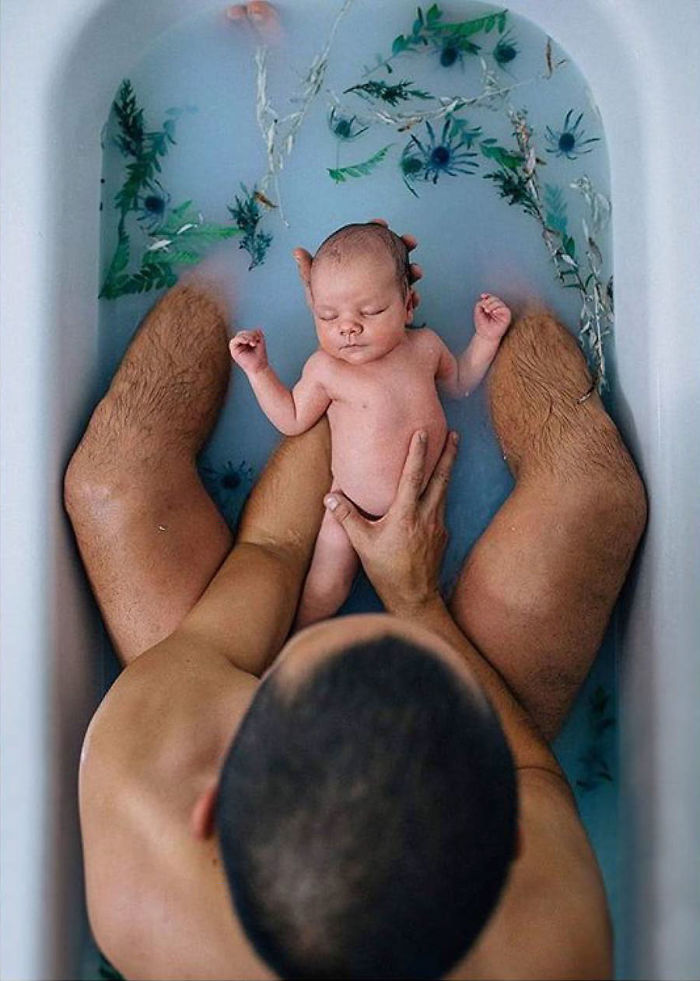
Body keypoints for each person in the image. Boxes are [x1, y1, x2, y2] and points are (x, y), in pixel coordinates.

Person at [64, 223, 646, 979]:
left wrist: (347, 401)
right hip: (449, 671)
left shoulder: (145, 828)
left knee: (109, 481)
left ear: (209, 809)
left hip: (263, 651)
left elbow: (266, 552)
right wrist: (415, 600)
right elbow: (534, 776)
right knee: (594, 492)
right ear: (505, 841)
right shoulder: (543, 945)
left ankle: (224, 256)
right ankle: (522, 269)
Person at [230, 222, 512, 627]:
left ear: (409, 305)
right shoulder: (327, 369)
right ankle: (297, 638)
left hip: (422, 507)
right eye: (328, 316)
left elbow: (462, 383)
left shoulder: (425, 347)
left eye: (370, 311)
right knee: (325, 591)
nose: (348, 326)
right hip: (349, 508)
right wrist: (258, 371)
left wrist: (486, 338)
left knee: (450, 582)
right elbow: (292, 418)